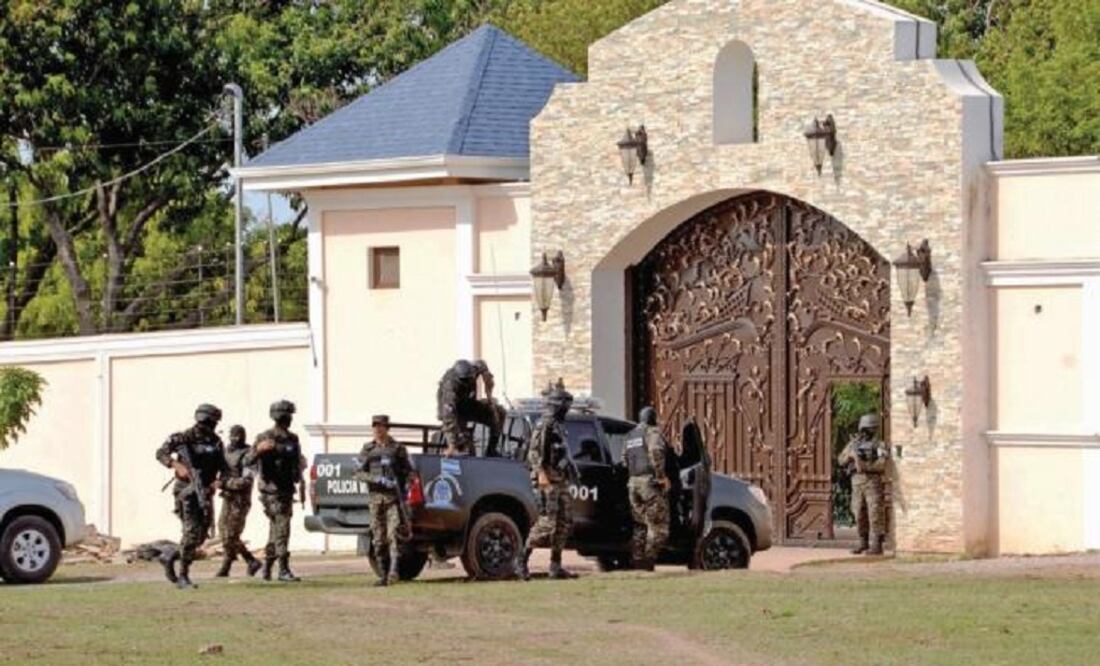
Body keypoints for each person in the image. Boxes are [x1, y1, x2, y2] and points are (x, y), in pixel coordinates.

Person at [155, 403, 228, 589]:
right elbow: (161, 453)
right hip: (186, 490)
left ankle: (169, 555)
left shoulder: (216, 442)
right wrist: (176, 465)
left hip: (205, 491)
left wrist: (218, 483)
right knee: (191, 531)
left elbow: (225, 469)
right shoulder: (183, 437)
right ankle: (183, 576)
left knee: (201, 536)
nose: (210, 426)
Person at [515, 379, 576, 581]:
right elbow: (534, 453)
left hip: (560, 479)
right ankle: (521, 561)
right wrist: (541, 474)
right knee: (547, 523)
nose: (567, 409)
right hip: (547, 479)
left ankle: (555, 566)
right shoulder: (545, 424)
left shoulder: (558, 425)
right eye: (565, 405)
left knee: (564, 522)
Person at [245, 400, 306, 581]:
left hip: (287, 489)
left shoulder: (293, 438)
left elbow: (296, 461)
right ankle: (283, 570)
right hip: (272, 491)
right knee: (282, 527)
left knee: (276, 529)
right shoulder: (265, 436)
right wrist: (259, 449)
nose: (289, 419)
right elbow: (247, 460)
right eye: (288, 416)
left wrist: (301, 469)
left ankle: (267, 568)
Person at [356, 415, 413, 587]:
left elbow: (409, 471)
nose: (377, 430)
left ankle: (394, 571)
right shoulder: (368, 449)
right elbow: (358, 472)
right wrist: (376, 479)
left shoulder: (397, 448)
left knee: (393, 534)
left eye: (380, 426)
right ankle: (383, 574)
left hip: (393, 499)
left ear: (387, 428)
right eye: (375, 426)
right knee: (378, 539)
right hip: (375, 499)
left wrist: (406, 485)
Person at [623, 406, 671, 570]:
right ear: (652, 418)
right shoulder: (652, 433)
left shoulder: (630, 436)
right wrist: (661, 477)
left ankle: (637, 561)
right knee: (658, 526)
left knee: (640, 524)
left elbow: (624, 460)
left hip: (633, 484)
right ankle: (648, 561)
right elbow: (656, 452)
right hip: (649, 484)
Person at [837, 413, 890, 555]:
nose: (869, 431)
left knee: (874, 512)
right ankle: (863, 542)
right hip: (856, 482)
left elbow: (882, 464)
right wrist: (850, 457)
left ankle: (877, 545)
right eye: (867, 428)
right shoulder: (854, 444)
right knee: (858, 512)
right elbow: (841, 459)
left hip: (872, 482)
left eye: (872, 428)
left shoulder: (880, 445)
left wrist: (864, 465)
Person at [215, 425, 262, 578]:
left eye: (239, 436)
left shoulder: (249, 455)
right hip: (228, 497)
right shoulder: (226, 451)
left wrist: (224, 483)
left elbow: (247, 480)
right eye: (233, 435)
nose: (236, 439)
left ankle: (227, 566)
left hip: (240, 500)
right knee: (223, 531)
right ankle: (250, 560)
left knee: (231, 533)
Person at [437, 360, 503, 457]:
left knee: (499, 413)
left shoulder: (473, 370)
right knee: (466, 446)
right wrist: (452, 444)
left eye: (470, 379)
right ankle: (465, 451)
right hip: (453, 412)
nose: (468, 382)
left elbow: (482, 365)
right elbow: (448, 417)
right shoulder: (450, 387)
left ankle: (491, 450)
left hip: (467, 404)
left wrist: (489, 395)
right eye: (465, 380)